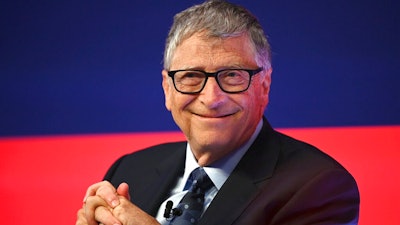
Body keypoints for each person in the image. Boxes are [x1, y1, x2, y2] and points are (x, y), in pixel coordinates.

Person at [76, 0, 360, 224]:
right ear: (167, 88)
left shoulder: (318, 186)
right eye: (191, 76)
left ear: (264, 85)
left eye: (233, 75)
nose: (211, 99)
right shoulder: (129, 170)